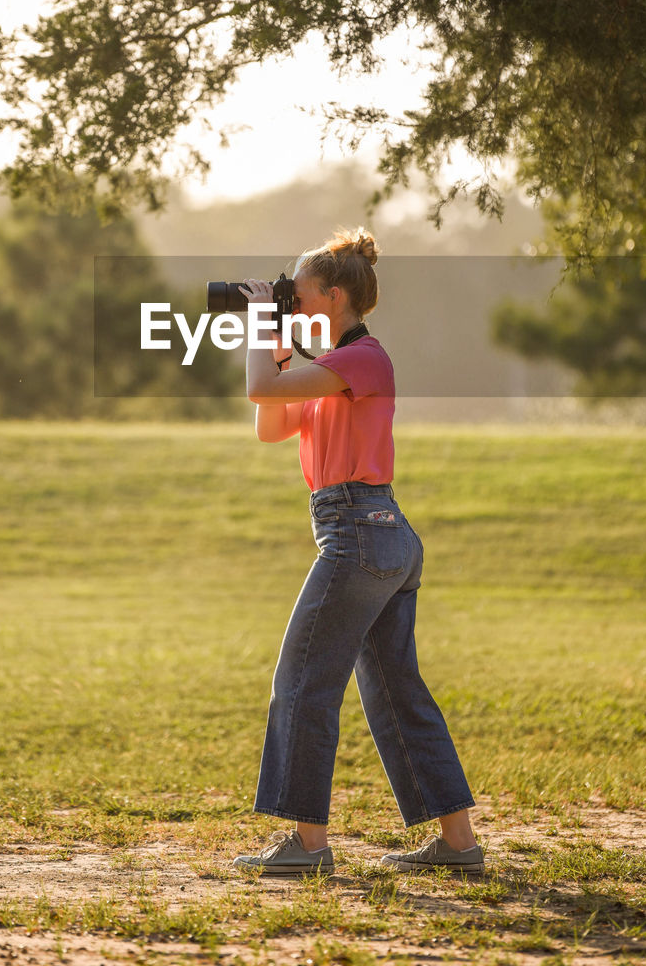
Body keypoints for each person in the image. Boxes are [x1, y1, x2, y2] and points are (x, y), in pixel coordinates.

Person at [232, 227, 484, 878]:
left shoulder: (364, 359)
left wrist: (262, 319)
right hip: (375, 536)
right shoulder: (329, 375)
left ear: (333, 296)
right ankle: (459, 846)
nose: (289, 295)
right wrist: (278, 339)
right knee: (397, 693)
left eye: (298, 288)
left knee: (304, 682)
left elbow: (261, 390)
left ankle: (308, 848)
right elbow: (267, 421)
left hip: (360, 533)